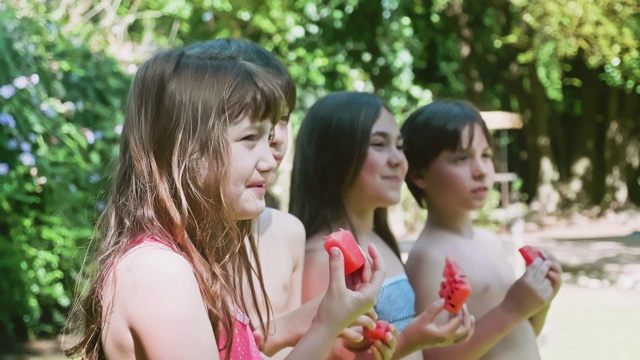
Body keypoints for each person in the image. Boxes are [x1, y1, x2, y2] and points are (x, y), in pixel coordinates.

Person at [63, 45, 387, 360]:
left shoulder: (188, 260)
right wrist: (325, 326)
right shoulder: (159, 271)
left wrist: (323, 326)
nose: (270, 160)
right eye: (250, 138)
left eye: (270, 136)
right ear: (188, 151)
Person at [290, 91, 475, 360]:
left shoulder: (379, 240)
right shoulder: (325, 258)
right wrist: (410, 340)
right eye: (379, 144)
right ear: (334, 157)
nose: (398, 159)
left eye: (399, 146)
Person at [401, 99, 563, 359]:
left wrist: (539, 304)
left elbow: (518, 335)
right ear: (420, 175)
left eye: (485, 155)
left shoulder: (491, 241)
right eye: (461, 158)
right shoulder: (429, 256)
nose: (481, 171)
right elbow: (434, 354)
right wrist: (512, 309)